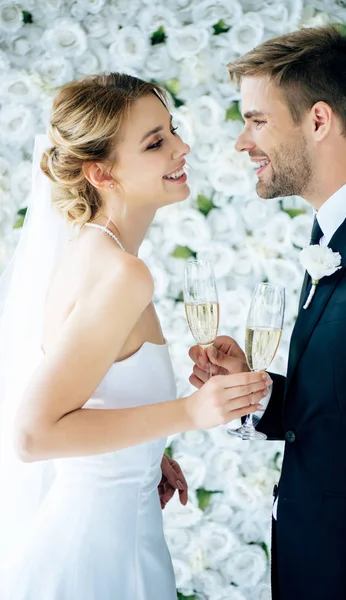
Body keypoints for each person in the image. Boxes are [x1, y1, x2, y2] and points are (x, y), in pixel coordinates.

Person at [0, 73, 269, 600]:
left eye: (172, 131)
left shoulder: (91, 252)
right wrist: (189, 414)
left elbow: (88, 397)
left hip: (117, 533)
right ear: (100, 173)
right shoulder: (123, 273)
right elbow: (33, 435)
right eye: (156, 142)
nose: (181, 147)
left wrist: (144, 456)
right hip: (94, 559)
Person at [189, 26, 346, 600]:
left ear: (318, 121)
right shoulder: (336, 232)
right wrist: (254, 393)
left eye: (257, 120)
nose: (241, 142)